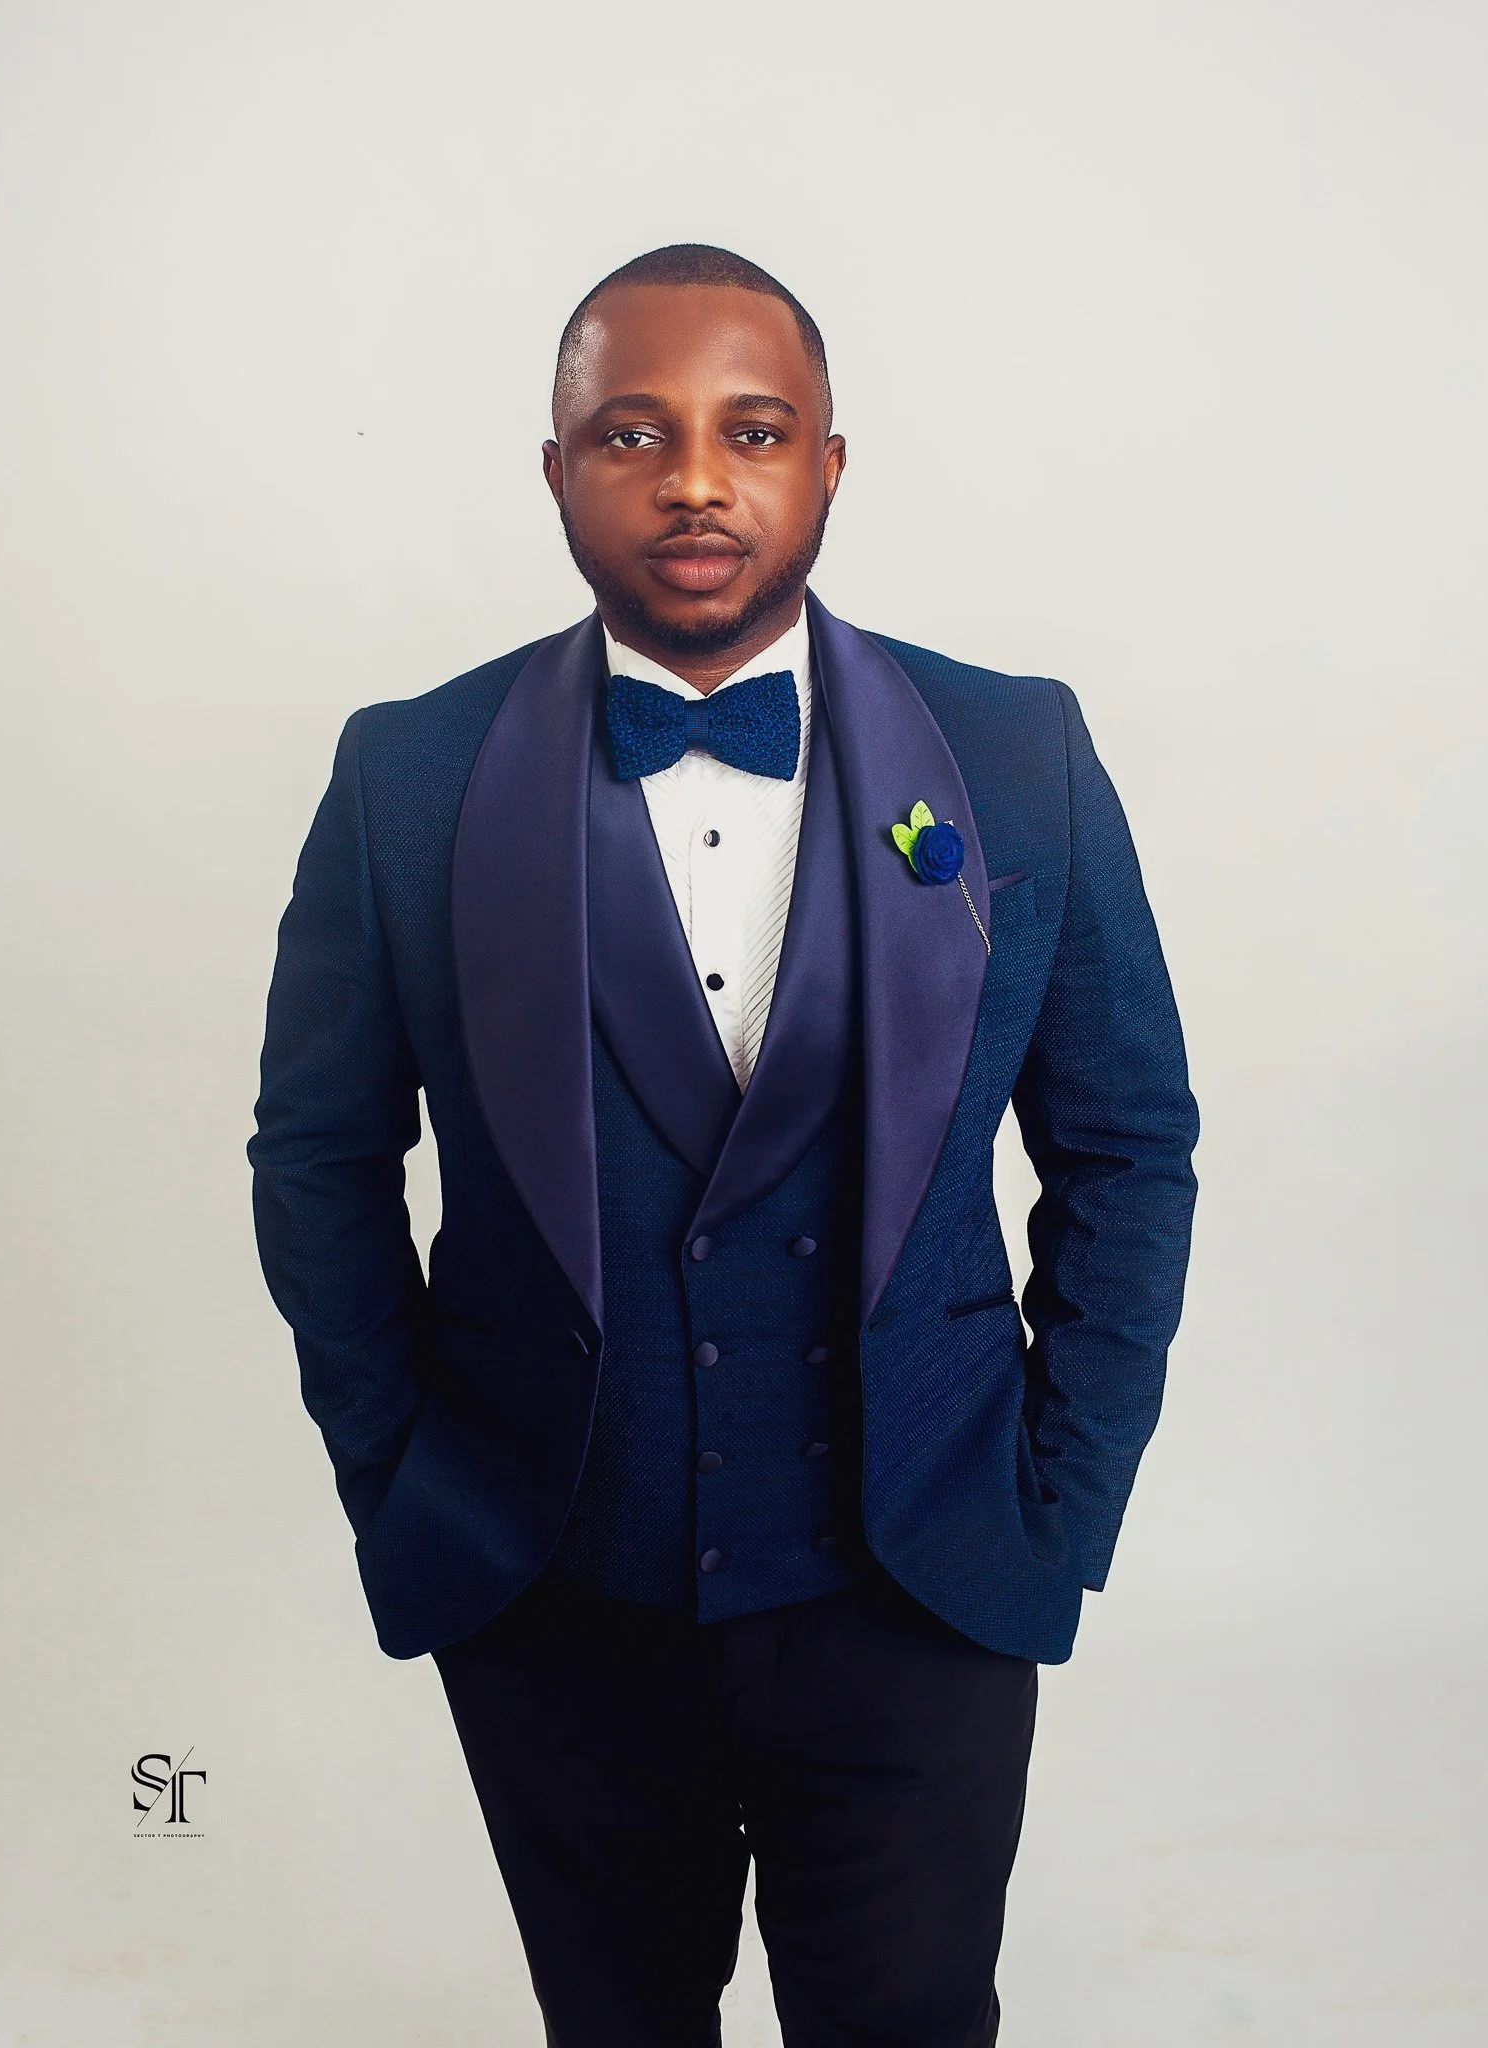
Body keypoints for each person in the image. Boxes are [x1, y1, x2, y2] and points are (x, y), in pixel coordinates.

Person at [248, 243, 1198, 2047]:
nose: (695, 478)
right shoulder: (408, 776)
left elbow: (1128, 1144)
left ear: (827, 464)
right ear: (556, 471)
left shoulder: (1016, 753)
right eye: (633, 432)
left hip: (925, 1581)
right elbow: (316, 1158)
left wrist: (1059, 1502)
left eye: (751, 431)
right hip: (553, 1594)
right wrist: (406, 1476)